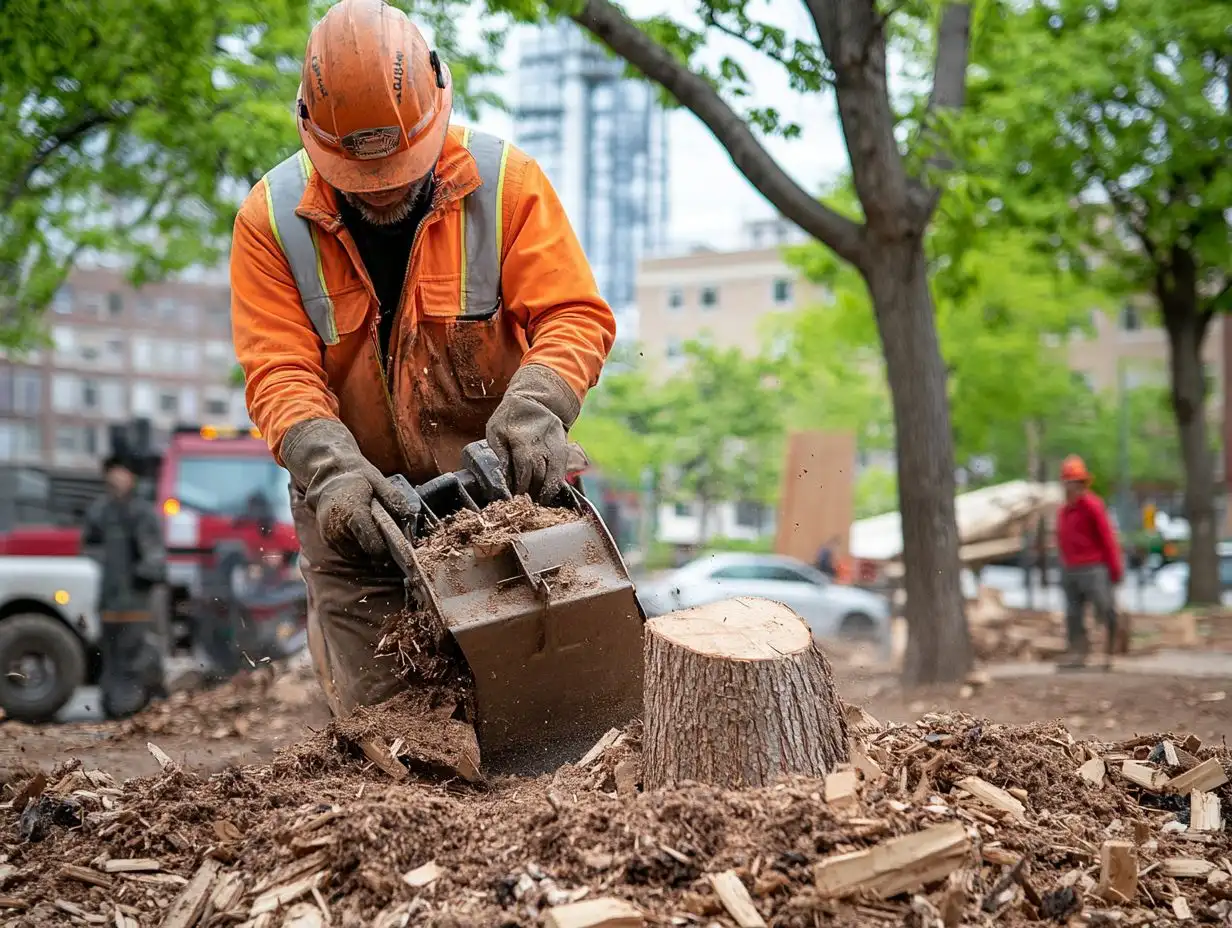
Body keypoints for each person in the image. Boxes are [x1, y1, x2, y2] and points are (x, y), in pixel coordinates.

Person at [230, 0, 615, 719]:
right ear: (313, 132)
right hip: (356, 500)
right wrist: (332, 472)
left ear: (436, 113)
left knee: (555, 702)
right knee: (394, 725)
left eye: (398, 170)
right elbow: (279, 371)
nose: (380, 189)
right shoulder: (270, 222)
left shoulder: (507, 186)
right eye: (358, 174)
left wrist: (537, 411)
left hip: (498, 489)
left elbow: (572, 314)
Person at [81, 455, 167, 718]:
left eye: (122, 472)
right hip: (108, 600)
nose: (117, 478)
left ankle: (136, 707)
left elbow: (155, 556)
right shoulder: (100, 511)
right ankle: (112, 705)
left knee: (137, 653)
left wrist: (141, 573)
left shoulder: (142, 512)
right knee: (111, 655)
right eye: (113, 472)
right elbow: (88, 548)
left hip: (137, 601)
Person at [1055, 454, 1123, 669]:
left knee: (1105, 609)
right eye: (1068, 482)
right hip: (1071, 568)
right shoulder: (1064, 511)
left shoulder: (1093, 505)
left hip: (1094, 568)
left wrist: (1115, 569)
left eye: (1075, 482)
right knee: (1073, 615)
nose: (1071, 487)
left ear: (1082, 483)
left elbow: (1107, 537)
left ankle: (1110, 654)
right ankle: (1078, 654)